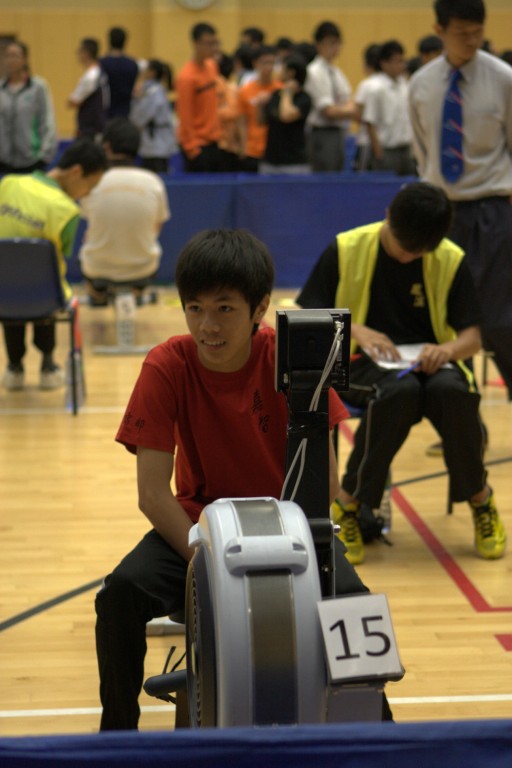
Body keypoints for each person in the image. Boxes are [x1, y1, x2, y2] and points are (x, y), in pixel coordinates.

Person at [95, 228, 380, 731]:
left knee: (355, 608)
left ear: (259, 308)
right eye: (195, 308)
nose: (208, 325)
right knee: (119, 593)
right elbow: (152, 494)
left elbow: (329, 484)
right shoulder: (167, 364)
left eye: (224, 308)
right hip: (199, 531)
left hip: (289, 531)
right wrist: (212, 564)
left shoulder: (292, 357)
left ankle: (377, 739)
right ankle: (116, 738)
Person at [297, 182, 506, 565]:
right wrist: (355, 330)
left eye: (418, 252)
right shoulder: (346, 248)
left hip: (431, 365)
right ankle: (348, 504)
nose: (408, 256)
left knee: (454, 393)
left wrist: (447, 350)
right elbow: (307, 314)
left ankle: (481, 499)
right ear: (388, 216)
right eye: (402, 247)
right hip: (359, 363)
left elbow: (473, 338)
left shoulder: (450, 258)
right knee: (399, 392)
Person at [408, 0, 512, 401]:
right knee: (443, 319)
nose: (471, 40)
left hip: (493, 209)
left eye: (477, 32)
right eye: (461, 33)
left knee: (501, 318)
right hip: (442, 212)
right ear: (439, 30)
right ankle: (459, 409)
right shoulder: (421, 84)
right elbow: (423, 152)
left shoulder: (503, 79)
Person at [0, 140, 107, 391]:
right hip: (44, 298)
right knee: (47, 284)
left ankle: (14, 366)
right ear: (76, 172)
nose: (87, 194)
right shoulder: (68, 211)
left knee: (10, 284)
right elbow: (56, 259)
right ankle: (48, 364)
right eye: (90, 186)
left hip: (2, 293)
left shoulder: (8, 184)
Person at [79, 118, 170, 302]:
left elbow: (90, 226)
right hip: (144, 268)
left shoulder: (92, 181)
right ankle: (137, 294)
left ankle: (97, 296)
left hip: (97, 269)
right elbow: (156, 228)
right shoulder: (153, 182)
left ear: (106, 147)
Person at [304, 21, 355, 172]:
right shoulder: (314, 71)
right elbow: (329, 111)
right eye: (331, 43)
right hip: (322, 133)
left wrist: (346, 109)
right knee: (325, 175)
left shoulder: (336, 72)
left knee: (337, 173)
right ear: (319, 45)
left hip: (338, 131)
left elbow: (349, 102)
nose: (335, 47)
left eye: (338, 43)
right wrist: (348, 110)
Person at [0, 40, 57, 174]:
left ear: (25, 59)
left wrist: (43, 156)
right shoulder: (1, 89)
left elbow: (48, 122)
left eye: (15, 56)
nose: (10, 60)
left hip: (32, 162)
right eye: (7, 56)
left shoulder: (38, 87)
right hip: (4, 163)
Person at [175, 22, 223, 173]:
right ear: (196, 44)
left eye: (214, 43)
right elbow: (184, 114)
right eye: (208, 44)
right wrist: (192, 148)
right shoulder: (186, 77)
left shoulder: (212, 66)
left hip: (214, 141)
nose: (213, 48)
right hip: (197, 146)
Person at [364, 40, 416, 176]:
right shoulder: (375, 88)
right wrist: (379, 153)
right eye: (397, 61)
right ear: (384, 64)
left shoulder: (405, 86)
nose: (401, 65)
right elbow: (370, 122)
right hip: (386, 150)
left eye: (402, 61)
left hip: (406, 149)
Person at [259, 53, 312, 175]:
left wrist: (287, 92)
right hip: (270, 161)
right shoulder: (275, 94)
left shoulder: (304, 98)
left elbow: (286, 116)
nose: (278, 71)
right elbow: (261, 121)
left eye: (282, 68)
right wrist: (260, 106)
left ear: (291, 73)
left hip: (294, 163)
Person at [237, 45, 281, 172]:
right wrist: (243, 147)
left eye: (272, 63)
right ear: (255, 63)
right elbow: (241, 121)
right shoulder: (245, 91)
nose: (269, 67)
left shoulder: (280, 90)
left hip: (274, 150)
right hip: (252, 150)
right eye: (265, 62)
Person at [130, 58, 176, 173]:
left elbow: (139, 117)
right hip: (152, 144)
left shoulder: (154, 92)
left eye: (146, 70)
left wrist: (135, 101)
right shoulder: (151, 90)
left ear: (152, 72)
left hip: (156, 145)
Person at [67, 38, 109, 140]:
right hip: (95, 127)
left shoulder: (91, 76)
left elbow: (73, 101)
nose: (78, 55)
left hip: (90, 131)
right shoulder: (100, 72)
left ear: (86, 53)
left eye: (79, 51)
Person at [352, 43, 381, 172]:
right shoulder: (397, 85)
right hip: (386, 143)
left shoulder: (367, 85)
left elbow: (357, 114)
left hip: (367, 142)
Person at [100, 26, 139, 119]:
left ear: (109, 41)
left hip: (107, 113)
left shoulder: (102, 63)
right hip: (126, 112)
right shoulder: (132, 64)